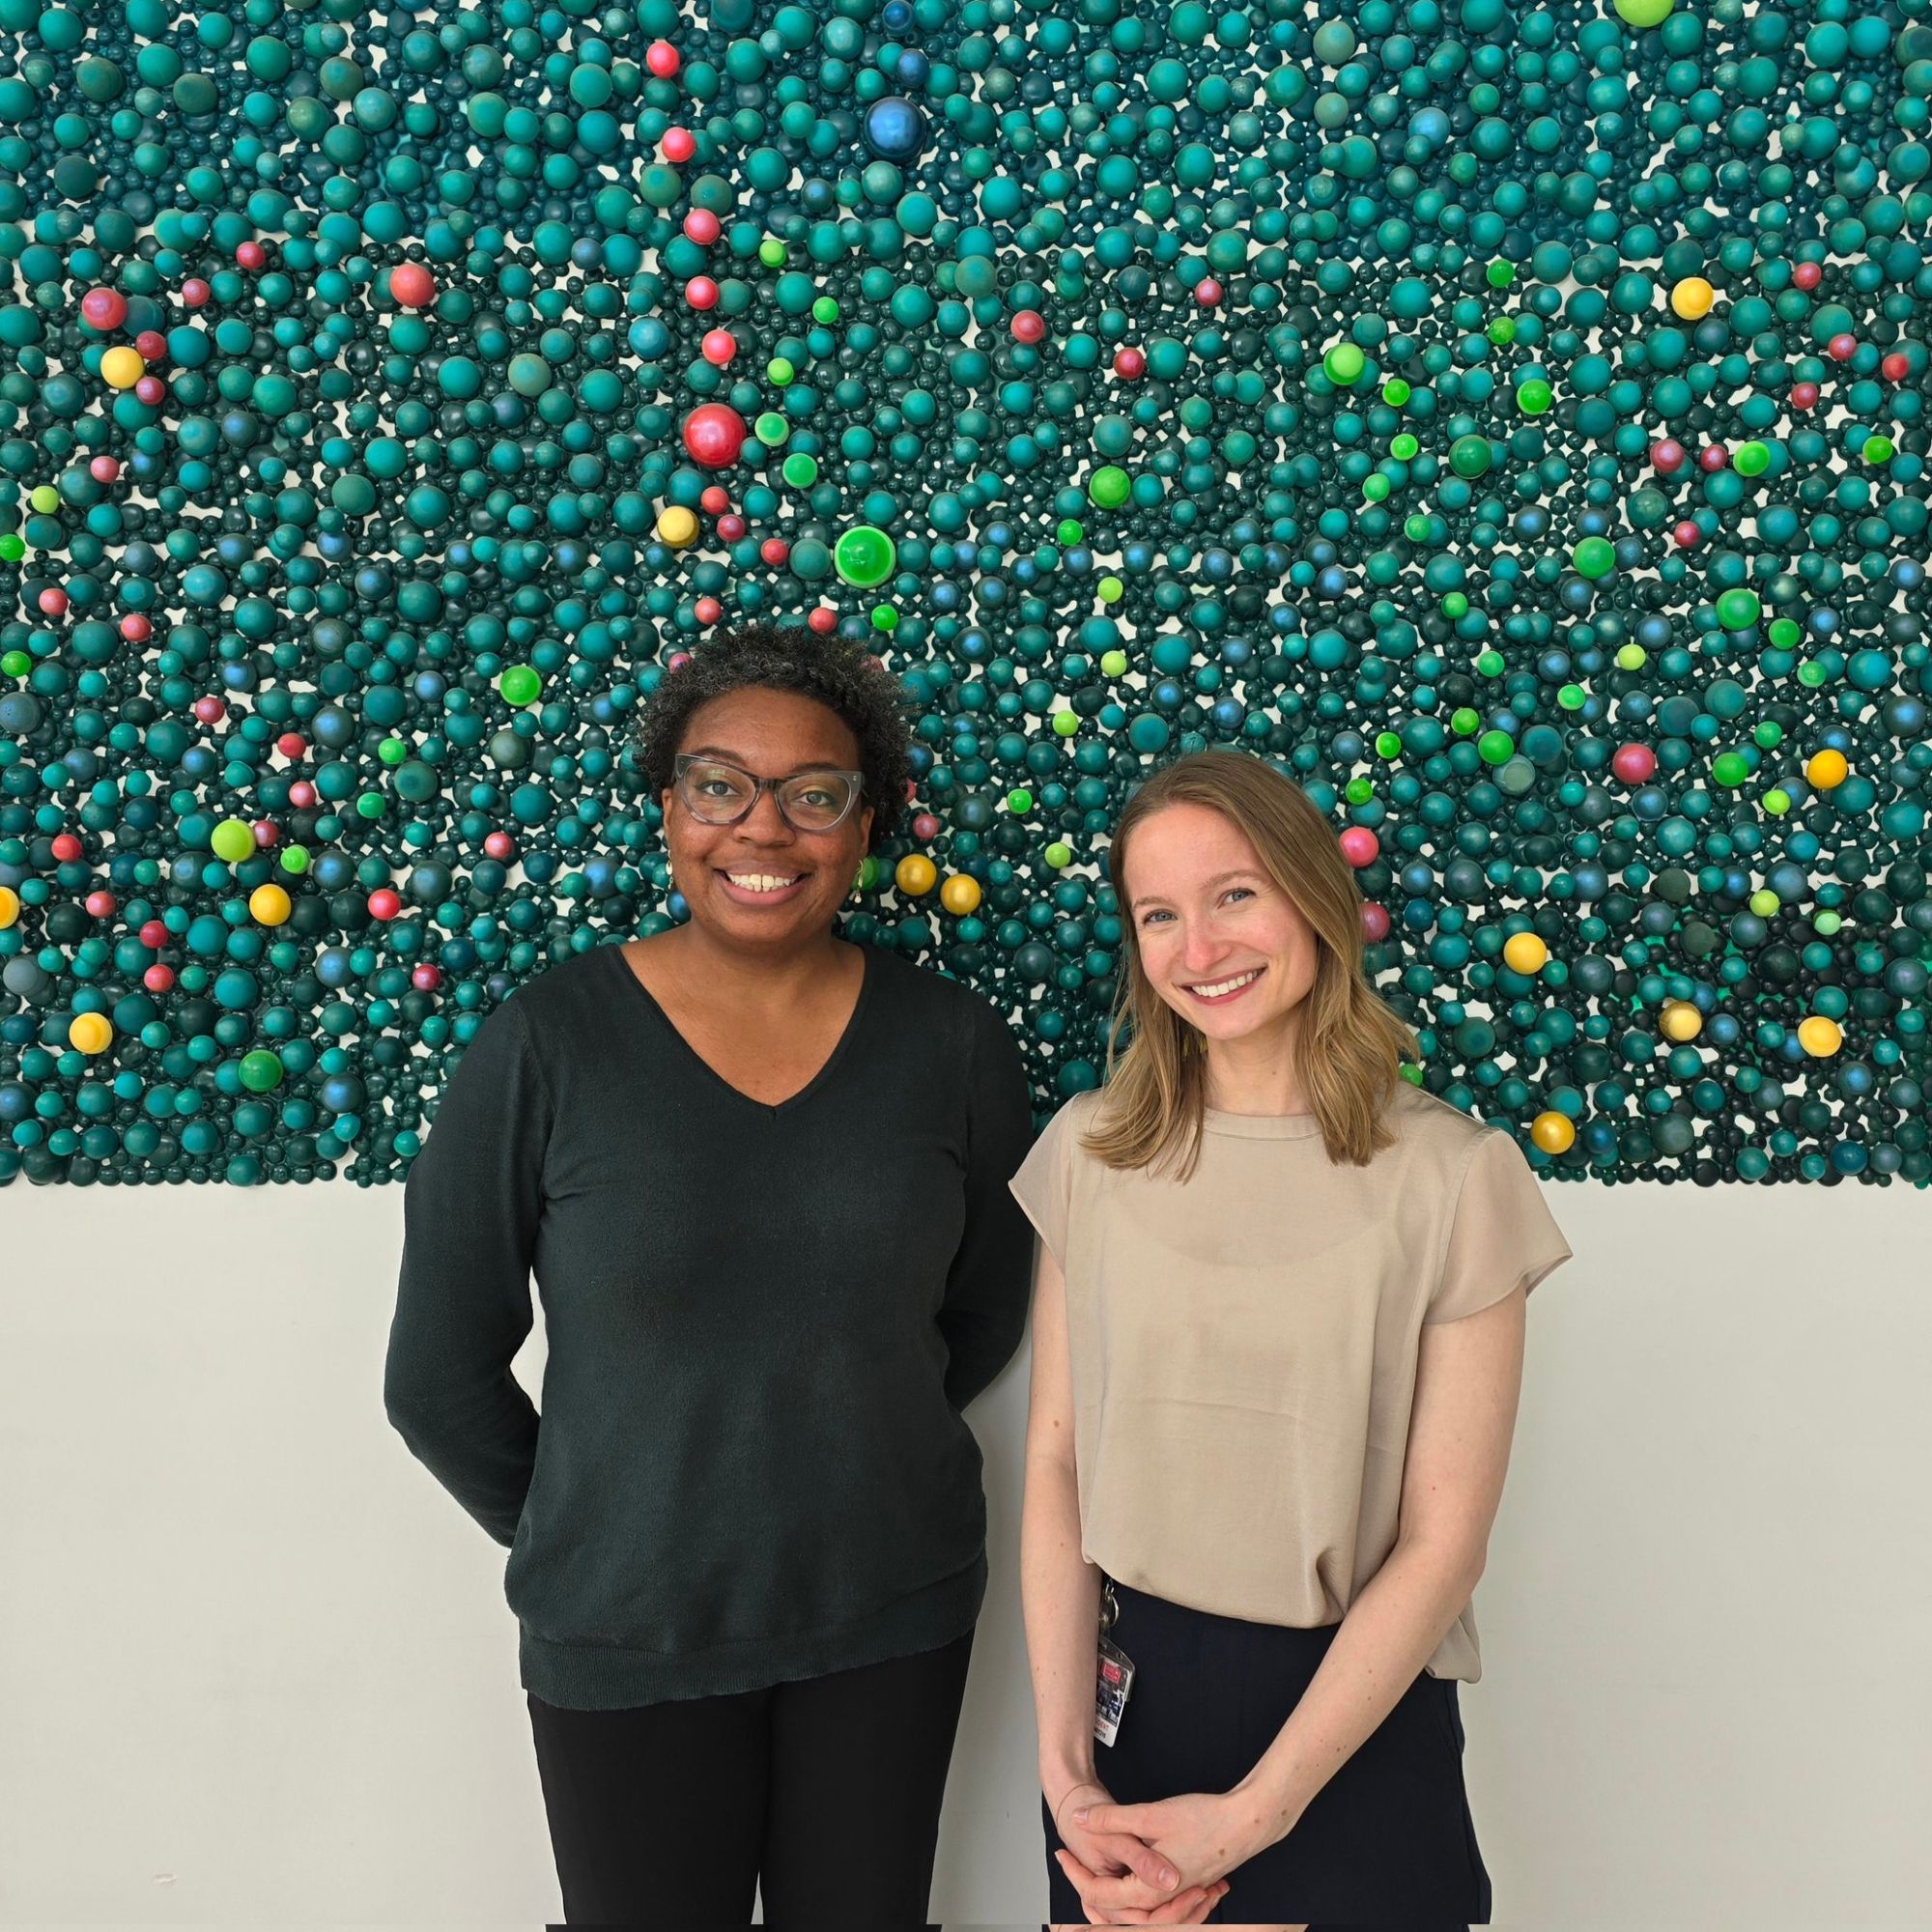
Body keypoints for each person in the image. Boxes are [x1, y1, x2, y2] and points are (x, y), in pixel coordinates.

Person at [384, 621, 1037, 1927]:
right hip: (625, 1637)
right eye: (718, 785)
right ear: (669, 809)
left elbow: (987, 1306)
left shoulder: (949, 1043)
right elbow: (437, 1375)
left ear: (868, 824)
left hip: (892, 1613)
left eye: (815, 794)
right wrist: (607, 1523)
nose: (762, 830)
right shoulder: (546, 1042)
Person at [1009, 749, 1574, 1930]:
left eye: (1234, 894)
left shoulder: (1453, 1176)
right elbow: (1056, 1468)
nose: (1198, 949)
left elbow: (1441, 1544)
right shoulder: (1090, 1152)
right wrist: (1067, 1782)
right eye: (1158, 913)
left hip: (1348, 1729)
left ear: (1314, 897)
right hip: (1125, 1731)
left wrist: (1256, 1810)